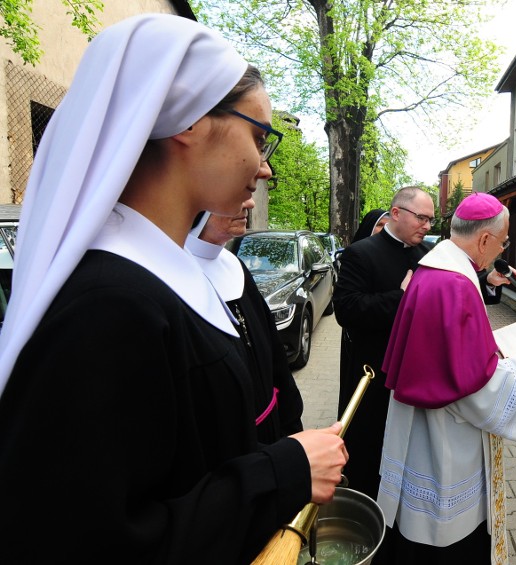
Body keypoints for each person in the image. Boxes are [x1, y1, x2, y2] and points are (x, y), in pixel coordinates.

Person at [0, 15, 346, 563]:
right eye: (259, 137)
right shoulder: (107, 309)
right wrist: (283, 473)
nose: (265, 168)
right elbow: (88, 541)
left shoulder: (164, 282)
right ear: (188, 122)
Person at [376, 192, 516, 564]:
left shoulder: (435, 268)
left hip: (420, 418)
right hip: (444, 431)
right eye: (502, 240)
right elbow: (471, 387)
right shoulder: (454, 285)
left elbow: (455, 357)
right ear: (485, 239)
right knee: (444, 533)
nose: (502, 247)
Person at [333, 188, 516, 500]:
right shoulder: (361, 254)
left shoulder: (424, 255)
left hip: (414, 368)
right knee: (370, 446)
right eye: (421, 218)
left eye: (430, 219)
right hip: (374, 369)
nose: (427, 226)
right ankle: (365, 507)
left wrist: (486, 282)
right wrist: (401, 297)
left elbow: (448, 299)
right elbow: (346, 310)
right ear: (396, 214)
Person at [187, 198, 304, 441]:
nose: (249, 204)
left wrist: (291, 421)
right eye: (234, 195)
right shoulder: (175, 276)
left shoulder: (235, 266)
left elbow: (274, 357)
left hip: (272, 426)